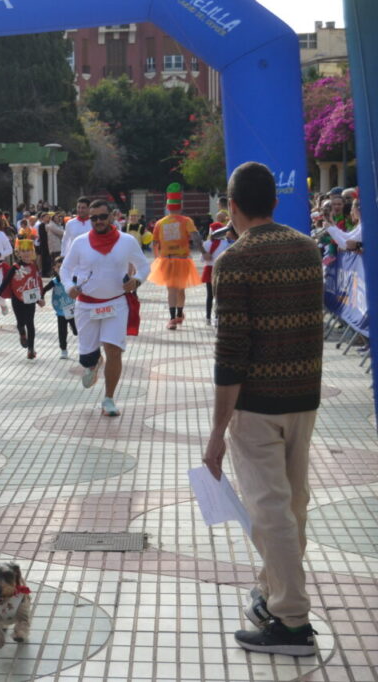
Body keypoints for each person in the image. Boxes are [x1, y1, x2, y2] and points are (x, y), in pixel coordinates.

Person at [203, 161, 323, 657]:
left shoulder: (235, 260)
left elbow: (231, 352)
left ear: (232, 206)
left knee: (270, 509)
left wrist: (217, 432)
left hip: (256, 405)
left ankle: (290, 620)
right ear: (275, 200)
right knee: (294, 503)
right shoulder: (308, 248)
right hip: (305, 397)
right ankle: (273, 589)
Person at [60, 199, 149, 417]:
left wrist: (136, 281)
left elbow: (144, 266)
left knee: (114, 351)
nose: (98, 221)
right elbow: (65, 269)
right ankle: (93, 362)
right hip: (86, 306)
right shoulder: (80, 242)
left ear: (111, 216)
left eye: (102, 216)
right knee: (87, 359)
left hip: (115, 304)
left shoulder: (127, 241)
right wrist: (70, 286)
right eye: (94, 218)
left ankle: (109, 398)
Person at [148, 183, 201, 329]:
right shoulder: (186, 221)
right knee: (180, 289)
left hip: (167, 259)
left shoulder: (159, 223)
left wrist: (157, 259)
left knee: (171, 290)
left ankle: (172, 320)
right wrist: (203, 251)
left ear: (167, 207)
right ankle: (179, 314)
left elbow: (154, 243)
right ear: (180, 206)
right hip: (183, 260)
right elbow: (196, 237)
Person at [0, 239, 45, 360]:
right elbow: (5, 282)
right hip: (17, 299)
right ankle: (22, 333)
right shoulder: (15, 267)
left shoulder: (34, 266)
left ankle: (31, 349)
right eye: (23, 251)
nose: (26, 253)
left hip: (30, 300)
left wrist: (40, 298)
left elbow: (37, 283)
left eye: (28, 250)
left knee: (30, 323)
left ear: (32, 252)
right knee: (21, 323)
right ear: (18, 253)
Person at [42, 256, 78, 359]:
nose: (61, 269)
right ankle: (63, 349)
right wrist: (41, 298)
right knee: (62, 332)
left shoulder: (74, 279)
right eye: (59, 267)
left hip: (72, 310)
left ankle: (73, 327)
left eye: (64, 267)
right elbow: (44, 289)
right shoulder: (55, 281)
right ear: (55, 268)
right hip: (60, 311)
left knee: (76, 331)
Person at [201, 219, 235, 322]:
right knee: (219, 295)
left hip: (208, 270)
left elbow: (202, 260)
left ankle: (207, 317)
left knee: (209, 295)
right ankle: (217, 317)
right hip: (220, 270)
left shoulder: (206, 244)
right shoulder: (226, 244)